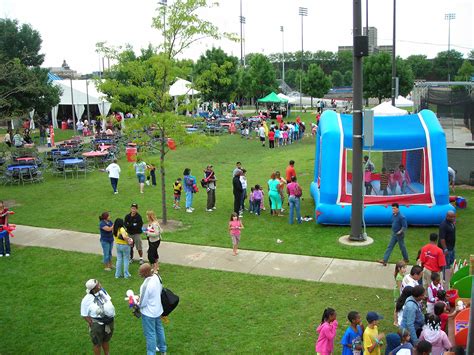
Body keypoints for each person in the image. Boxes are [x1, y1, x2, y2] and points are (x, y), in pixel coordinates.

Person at [138, 263, 167, 355]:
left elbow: (142, 303)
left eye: (141, 272)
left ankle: (151, 353)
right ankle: (163, 350)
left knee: (150, 334)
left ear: (146, 272)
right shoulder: (157, 277)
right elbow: (160, 289)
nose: (139, 274)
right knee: (159, 330)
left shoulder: (145, 285)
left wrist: (135, 302)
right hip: (158, 310)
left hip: (148, 313)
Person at [80, 279, 115, 355]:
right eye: (98, 285)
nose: (100, 286)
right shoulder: (86, 300)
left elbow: (108, 300)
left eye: (99, 283)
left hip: (109, 321)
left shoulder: (103, 291)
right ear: (92, 289)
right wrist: (91, 323)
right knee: (97, 343)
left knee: (106, 340)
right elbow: (84, 314)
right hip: (97, 324)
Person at [438, 211, 456, 287]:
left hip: (451, 247)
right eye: (451, 217)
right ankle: (446, 280)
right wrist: (445, 249)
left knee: (451, 262)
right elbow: (442, 239)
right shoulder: (443, 225)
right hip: (446, 249)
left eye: (453, 217)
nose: (453, 218)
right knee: (446, 264)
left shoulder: (451, 223)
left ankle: (447, 276)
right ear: (447, 216)